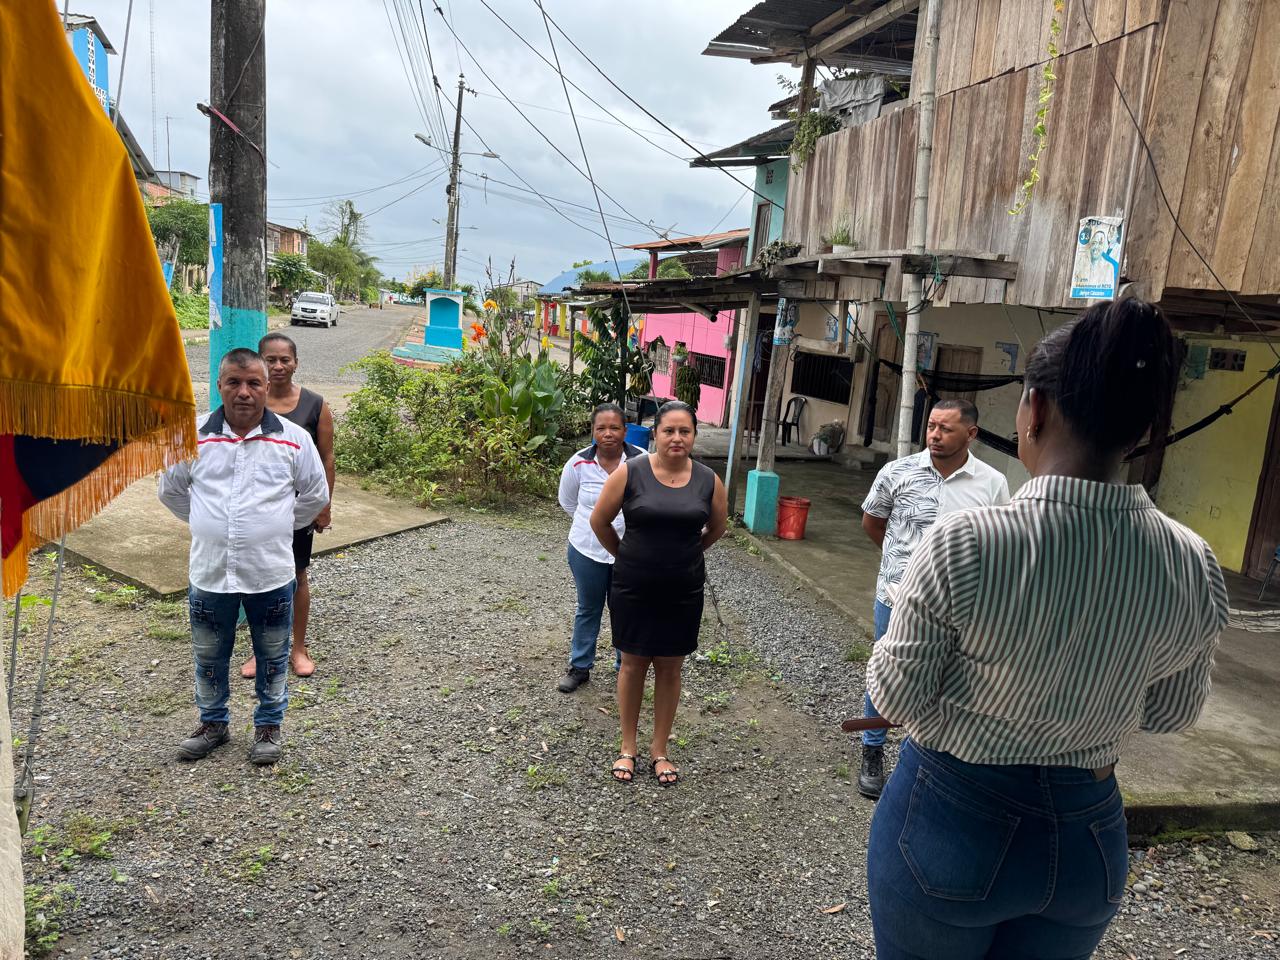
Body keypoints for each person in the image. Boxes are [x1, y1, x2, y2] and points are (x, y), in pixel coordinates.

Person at [864, 299, 1228, 960]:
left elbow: (895, 698)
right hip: (1089, 839)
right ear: (1142, 428)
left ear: (1032, 410)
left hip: (950, 821)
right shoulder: (1191, 559)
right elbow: (1170, 712)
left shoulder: (966, 543)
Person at [159, 348, 329, 766]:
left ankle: (268, 727)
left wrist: (273, 525)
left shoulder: (294, 439)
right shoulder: (192, 437)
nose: (244, 392)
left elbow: (314, 495)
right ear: (219, 386)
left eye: (254, 383)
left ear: (266, 387)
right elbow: (171, 492)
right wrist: (208, 523)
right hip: (210, 571)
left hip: (270, 572)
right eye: (234, 382)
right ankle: (212, 724)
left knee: (272, 656)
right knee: (209, 656)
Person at [858, 398, 1009, 798]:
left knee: (944, 678)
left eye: (946, 429)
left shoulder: (992, 483)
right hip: (897, 596)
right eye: (931, 427)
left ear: (971, 434)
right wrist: (900, 564)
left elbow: (997, 541)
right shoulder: (897, 472)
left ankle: (920, 755)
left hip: (959, 606)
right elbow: (873, 521)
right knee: (887, 670)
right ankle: (872, 750)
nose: (935, 435)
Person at [590, 401, 728, 786]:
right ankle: (627, 747)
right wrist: (625, 555)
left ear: (694, 436)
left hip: (683, 588)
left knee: (670, 667)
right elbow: (599, 520)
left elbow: (718, 527)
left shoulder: (708, 480)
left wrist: (689, 553)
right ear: (655, 434)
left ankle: (660, 749)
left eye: (685, 431)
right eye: (669, 430)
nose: (676, 438)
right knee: (632, 664)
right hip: (634, 586)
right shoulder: (630, 472)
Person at [240, 332, 334, 680]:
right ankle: (261, 649)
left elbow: (326, 457)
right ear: (259, 362)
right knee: (257, 577)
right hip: (256, 506)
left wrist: (324, 505)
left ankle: (298, 648)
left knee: (296, 574)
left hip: (298, 509)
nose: (278, 366)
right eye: (270, 359)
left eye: (285, 359)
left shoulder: (315, 405)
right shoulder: (250, 402)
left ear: (296, 363)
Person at [555, 403, 647, 693]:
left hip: (630, 552)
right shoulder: (577, 464)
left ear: (625, 430)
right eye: (601, 428)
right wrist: (595, 526)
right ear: (593, 431)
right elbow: (568, 502)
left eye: (614, 427)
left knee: (625, 609)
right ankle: (580, 667)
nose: (608, 433)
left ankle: (625, 668)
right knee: (588, 607)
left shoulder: (643, 461)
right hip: (587, 549)